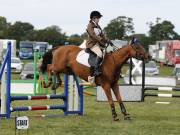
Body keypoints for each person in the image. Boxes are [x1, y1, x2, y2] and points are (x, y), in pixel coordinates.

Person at [86, 11, 112, 83]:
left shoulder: (98, 26)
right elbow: (92, 35)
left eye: (99, 18)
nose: (99, 19)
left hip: (98, 44)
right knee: (100, 54)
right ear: (94, 18)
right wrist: (100, 39)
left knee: (108, 53)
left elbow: (102, 35)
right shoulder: (90, 25)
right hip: (92, 44)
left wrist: (107, 40)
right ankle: (96, 70)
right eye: (98, 18)